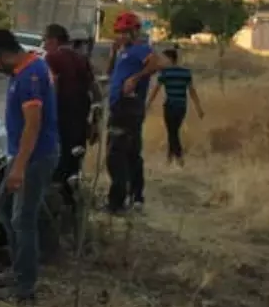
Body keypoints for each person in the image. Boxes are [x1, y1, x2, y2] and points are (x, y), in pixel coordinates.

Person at [0, 28, 60, 304]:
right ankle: (19, 272)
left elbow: (33, 124)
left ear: (2, 55)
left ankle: (25, 288)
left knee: (22, 220)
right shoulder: (25, 70)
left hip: (35, 157)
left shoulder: (30, 76)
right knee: (4, 205)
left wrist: (19, 168)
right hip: (25, 155)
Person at [106, 11, 164, 214]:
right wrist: (113, 54)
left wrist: (136, 79)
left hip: (127, 107)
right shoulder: (124, 51)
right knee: (131, 153)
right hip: (120, 106)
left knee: (116, 155)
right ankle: (136, 196)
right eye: (118, 32)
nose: (120, 36)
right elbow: (110, 73)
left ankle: (117, 202)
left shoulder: (141, 49)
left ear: (134, 31)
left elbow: (156, 63)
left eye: (123, 32)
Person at [41, 24, 101, 213]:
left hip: (61, 119)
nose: (43, 46)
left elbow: (53, 88)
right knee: (73, 164)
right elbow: (95, 90)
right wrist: (96, 121)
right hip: (80, 121)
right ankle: (73, 204)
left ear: (53, 40)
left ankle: (58, 209)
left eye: (45, 41)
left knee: (57, 166)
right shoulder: (82, 59)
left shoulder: (52, 58)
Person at [148, 47, 204, 165]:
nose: (161, 62)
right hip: (182, 106)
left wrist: (148, 103)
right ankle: (170, 157)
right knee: (173, 131)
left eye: (163, 59)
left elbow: (155, 90)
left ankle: (179, 157)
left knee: (172, 131)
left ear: (170, 59)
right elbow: (192, 91)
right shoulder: (185, 72)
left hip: (170, 106)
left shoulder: (165, 73)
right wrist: (198, 107)